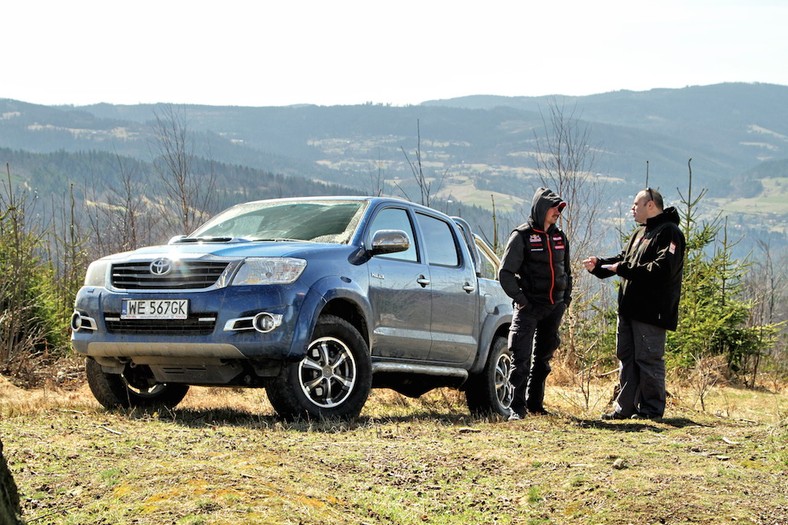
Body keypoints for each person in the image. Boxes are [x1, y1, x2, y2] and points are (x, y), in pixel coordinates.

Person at [582, 187, 685, 420]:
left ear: (651, 205)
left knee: (648, 360)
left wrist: (623, 268)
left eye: (636, 204)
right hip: (628, 309)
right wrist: (599, 265)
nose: (632, 208)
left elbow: (662, 269)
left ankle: (650, 410)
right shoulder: (640, 233)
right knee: (626, 358)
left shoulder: (669, 233)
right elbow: (623, 260)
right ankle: (625, 408)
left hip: (651, 312)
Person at [499, 187, 572, 419]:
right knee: (521, 358)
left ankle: (535, 405)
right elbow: (505, 273)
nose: (557, 212)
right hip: (529, 308)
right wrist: (522, 300)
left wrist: (565, 298)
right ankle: (516, 409)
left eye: (560, 209)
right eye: (554, 208)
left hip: (555, 307)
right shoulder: (520, 236)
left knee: (543, 359)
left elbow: (567, 271)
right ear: (541, 209)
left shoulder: (560, 237)